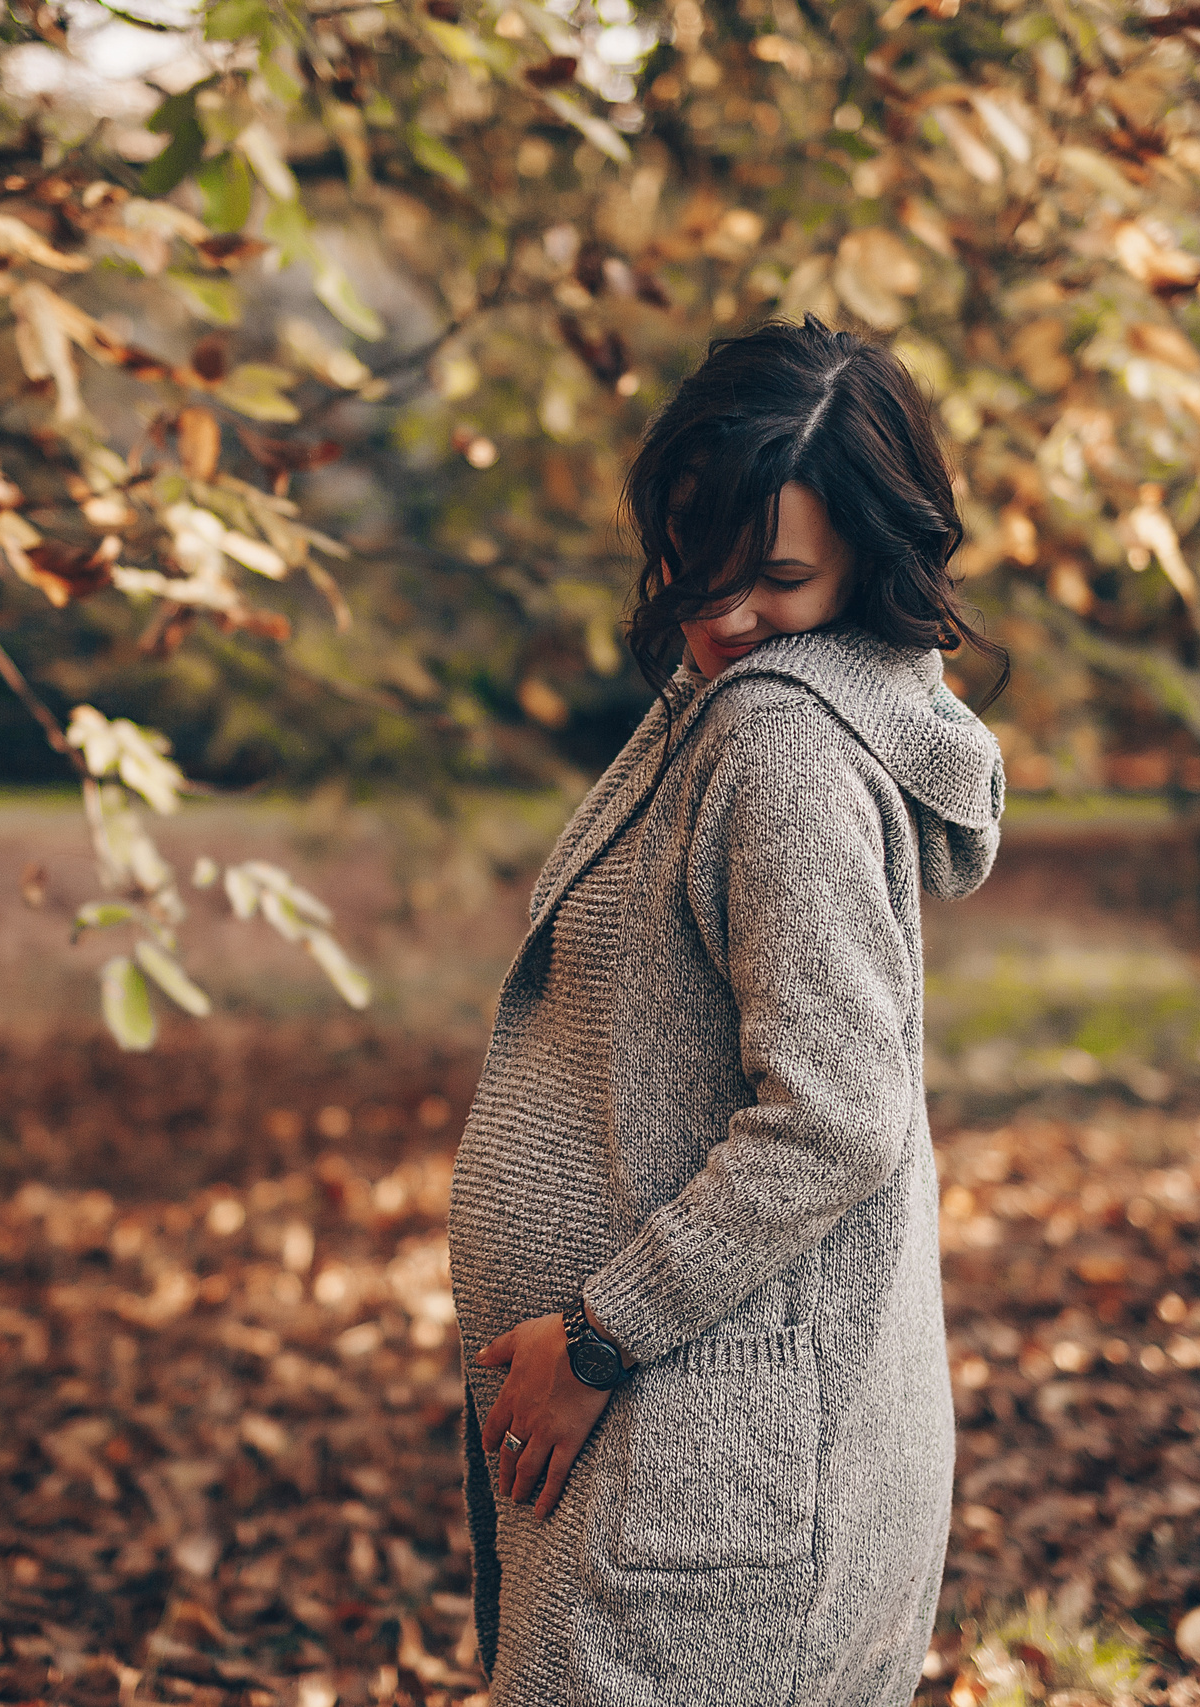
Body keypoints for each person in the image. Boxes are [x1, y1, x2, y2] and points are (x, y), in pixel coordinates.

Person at [447, 314, 1008, 1706]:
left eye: (775, 578)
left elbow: (835, 1120)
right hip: (707, 1453)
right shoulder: (741, 697)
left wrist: (594, 1337)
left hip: (701, 1467)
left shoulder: (781, 744)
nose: (720, 614)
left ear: (871, 559)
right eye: (696, 569)